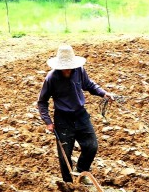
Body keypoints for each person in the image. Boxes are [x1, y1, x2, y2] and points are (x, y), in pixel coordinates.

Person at [37, 44, 114, 183]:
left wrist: (103, 93)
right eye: (64, 68)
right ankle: (68, 184)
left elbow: (89, 85)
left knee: (91, 146)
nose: (67, 70)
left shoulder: (79, 70)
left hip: (80, 115)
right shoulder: (51, 78)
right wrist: (48, 122)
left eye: (69, 67)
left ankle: (81, 172)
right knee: (65, 154)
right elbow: (42, 102)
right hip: (63, 119)